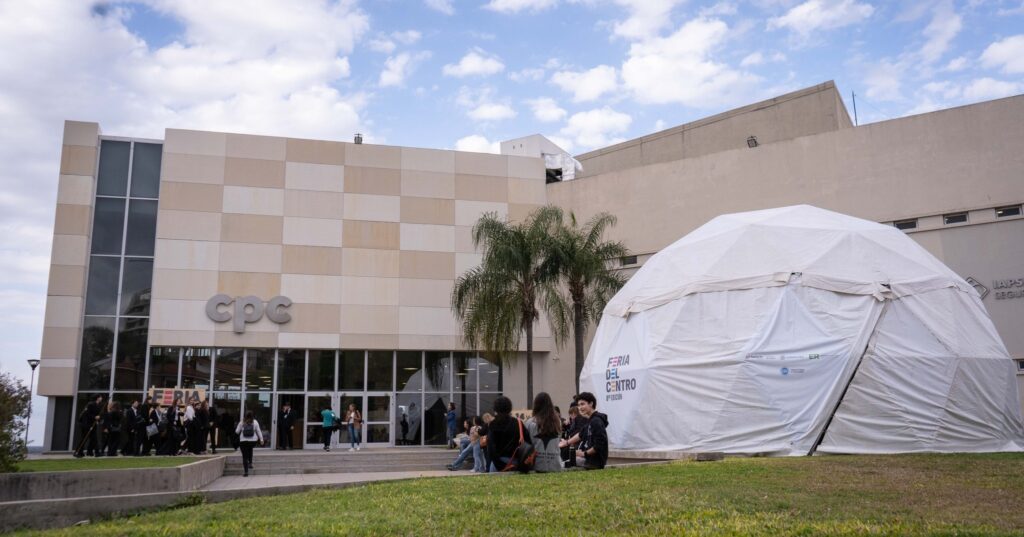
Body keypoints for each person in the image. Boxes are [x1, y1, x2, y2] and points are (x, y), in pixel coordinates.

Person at [559, 392, 608, 470]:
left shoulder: (596, 421)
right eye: (578, 405)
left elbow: (599, 444)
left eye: (582, 404)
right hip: (589, 460)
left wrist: (583, 454)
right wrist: (566, 442)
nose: (580, 408)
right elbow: (580, 434)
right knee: (563, 462)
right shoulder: (590, 420)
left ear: (591, 404)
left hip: (594, 463)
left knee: (562, 465)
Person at [485, 396, 530, 472]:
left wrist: (499, 465)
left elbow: (491, 448)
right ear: (510, 407)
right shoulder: (518, 423)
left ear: (496, 409)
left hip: (497, 464)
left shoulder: (493, 424)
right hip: (516, 462)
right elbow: (528, 442)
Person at [526, 392, 562, 473]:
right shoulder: (558, 422)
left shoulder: (530, 422)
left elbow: (527, 444)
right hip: (555, 464)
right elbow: (558, 440)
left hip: (537, 464)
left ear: (536, 405)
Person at [235, 411, 263, 477]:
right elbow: (258, 431)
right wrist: (261, 439)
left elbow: (237, 431)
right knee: (250, 449)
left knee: (245, 456)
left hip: (243, 441)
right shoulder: (255, 422)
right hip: (253, 441)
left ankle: (246, 472)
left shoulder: (242, 422)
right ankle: (250, 463)